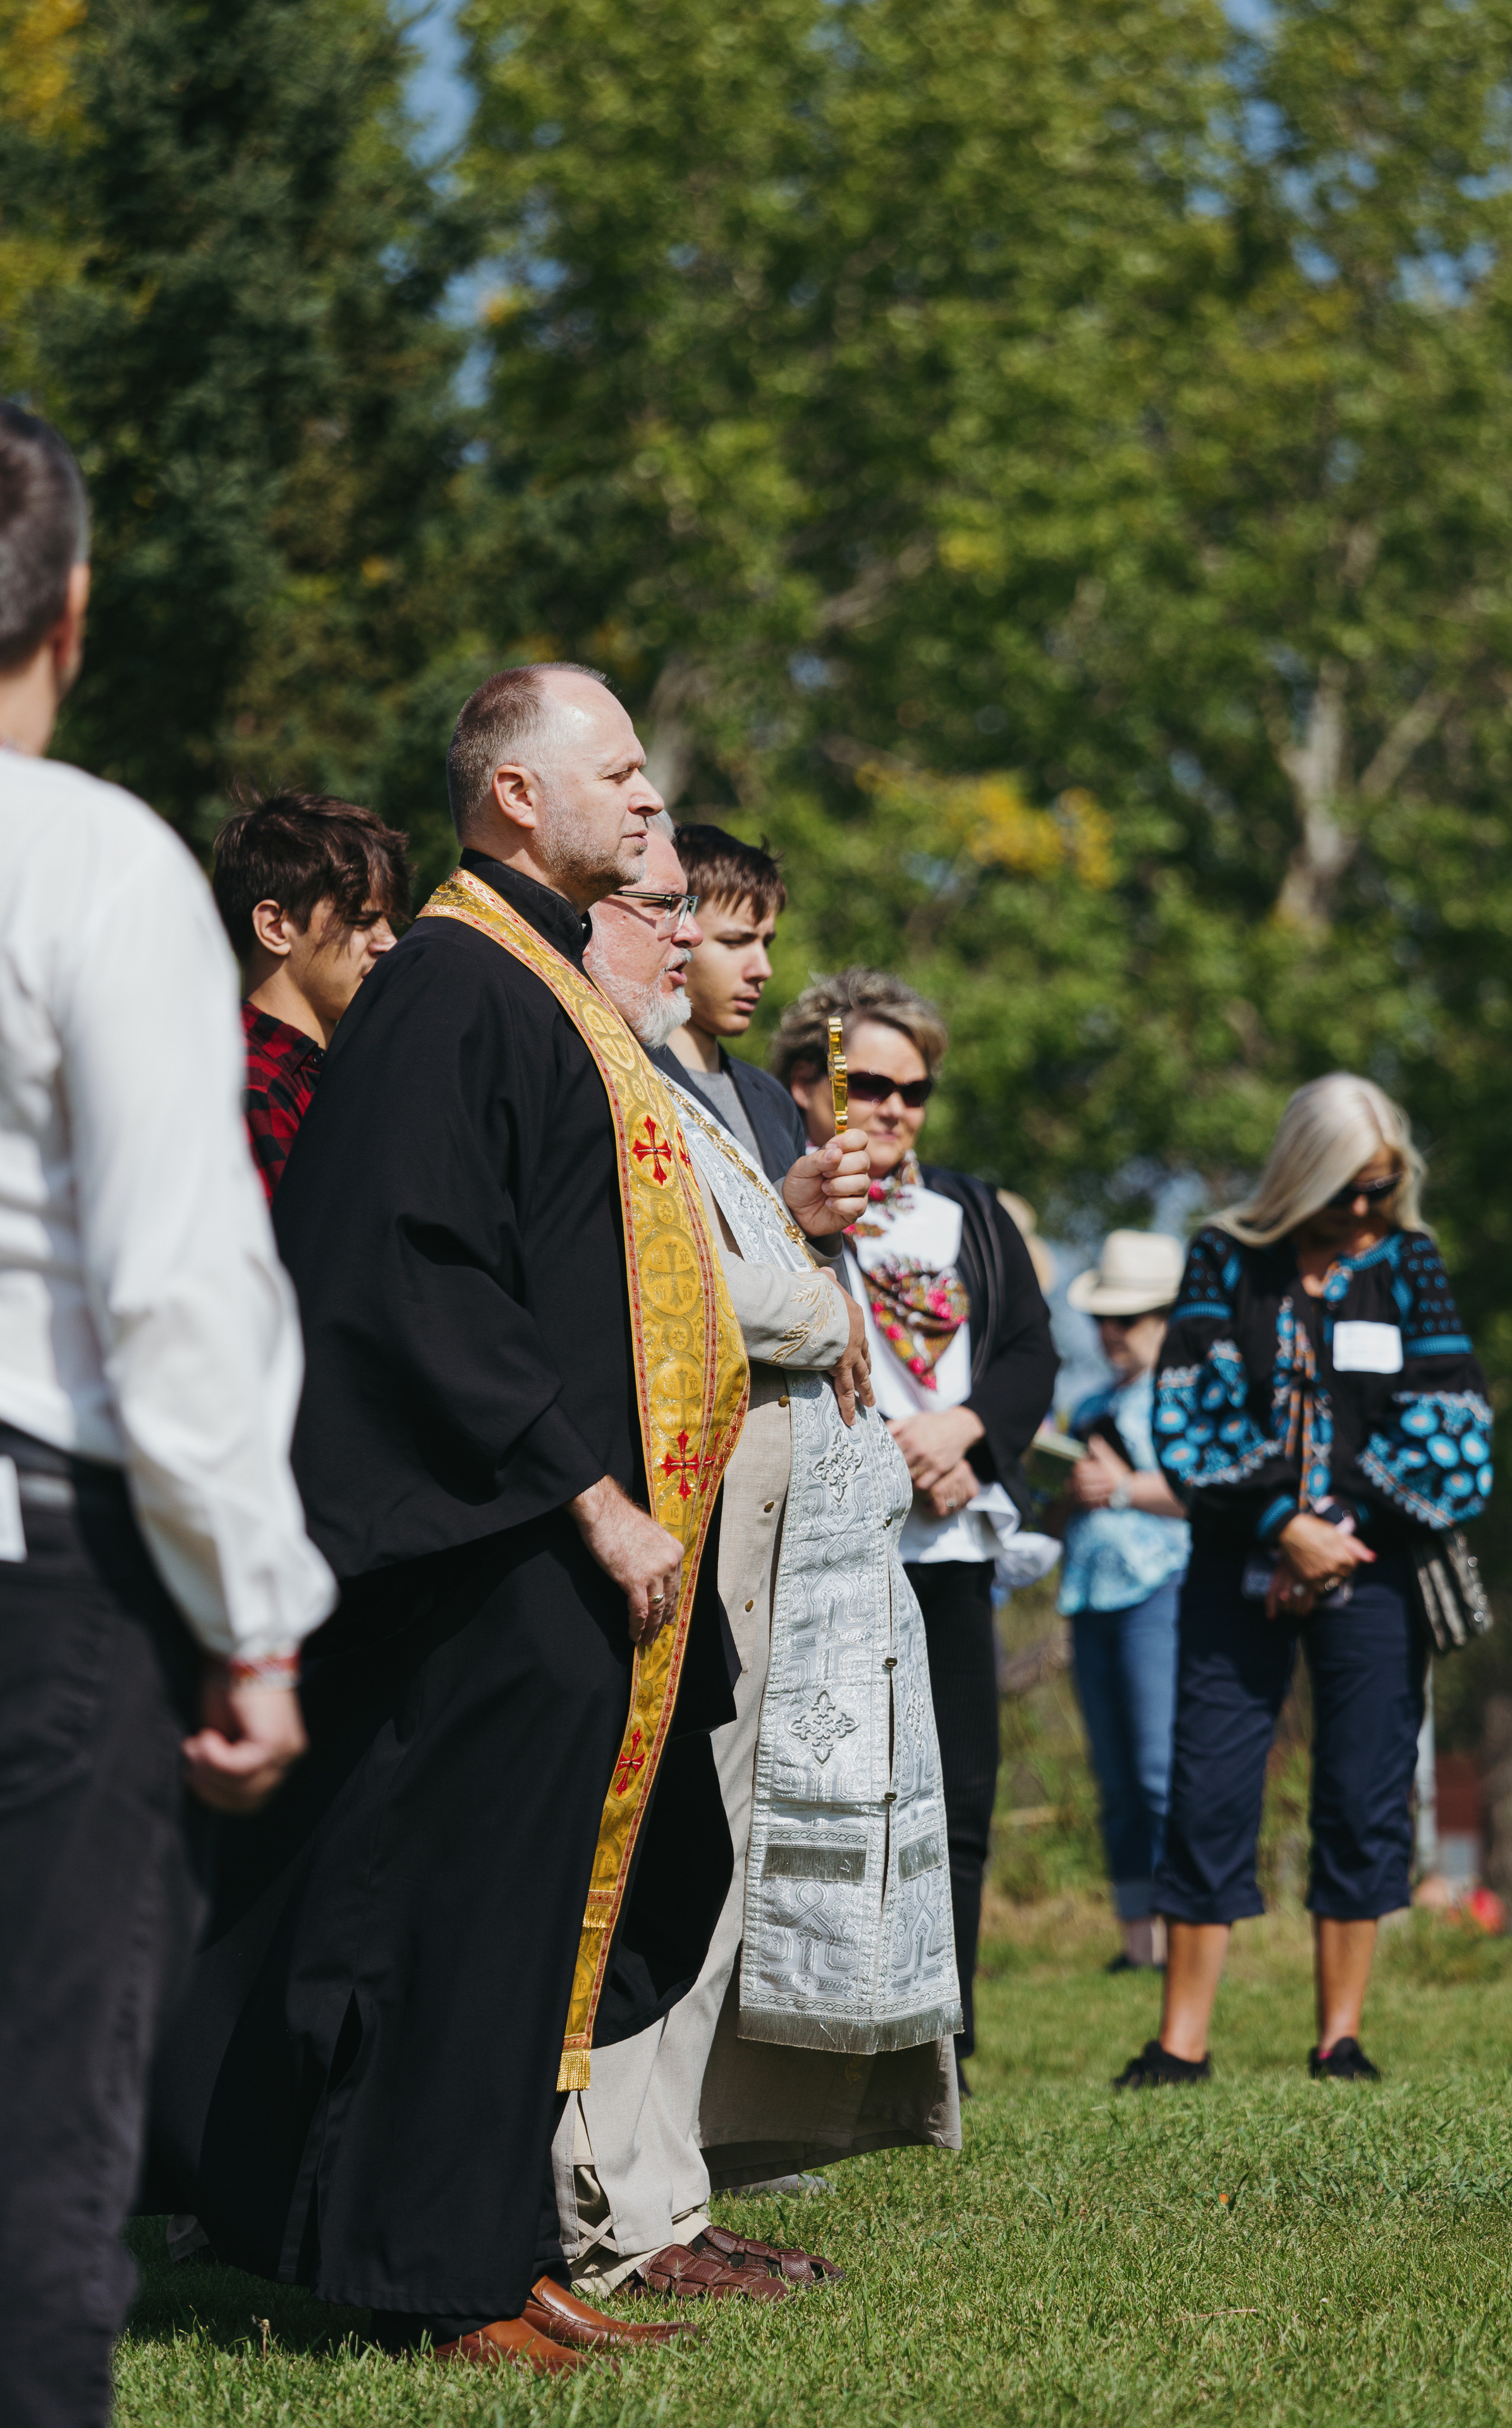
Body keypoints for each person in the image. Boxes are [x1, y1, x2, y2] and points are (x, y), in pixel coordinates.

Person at [144, 663, 754, 2379]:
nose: (650, 799)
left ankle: (492, 2242)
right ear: (515, 796)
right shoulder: (452, 984)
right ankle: (438, 2272)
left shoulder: (539, 981)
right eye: (617, 772)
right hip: (498, 1541)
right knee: (454, 1919)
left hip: (550, 1553)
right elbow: (413, 1268)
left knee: (511, 1919)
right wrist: (589, 1492)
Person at [0, 402, 334, 2428]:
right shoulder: (93, 862)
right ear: (72, 610)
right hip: (41, 1570)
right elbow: (172, 1283)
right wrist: (257, 1617)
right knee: (40, 2141)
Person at [567, 828, 961, 2302]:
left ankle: (668, 2189)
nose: (718, 954)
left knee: (711, 1868)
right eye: (689, 920)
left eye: (726, 929)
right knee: (664, 1865)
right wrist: (809, 1295)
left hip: (772, 1532)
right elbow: (676, 1277)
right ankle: (618, 2206)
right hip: (691, 1514)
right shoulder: (617, 1066)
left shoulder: (692, 1083)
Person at [1114, 1073, 1494, 2092]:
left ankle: (1341, 2040)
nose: (1365, 1208)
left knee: (1365, 1792)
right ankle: (1180, 2045)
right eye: (1347, 1189)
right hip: (1238, 1557)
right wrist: (1282, 1525)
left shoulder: (1410, 1265)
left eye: (1382, 1186)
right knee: (1208, 1787)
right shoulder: (1222, 1257)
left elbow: (1456, 1429)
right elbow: (1189, 1416)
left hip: (1373, 1566)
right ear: (1301, 1175)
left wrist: (1335, 1531)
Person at [777, 969, 1058, 2092]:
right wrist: (891, 1453)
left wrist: (966, 1434)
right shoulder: (777, 1202)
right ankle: (817, 2041)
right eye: (872, 1085)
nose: (894, 1108)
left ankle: (949, 2043)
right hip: (827, 1549)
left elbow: (1031, 1352)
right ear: (807, 1083)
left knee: (963, 1795)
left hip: (949, 1542)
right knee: (828, 1794)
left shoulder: (968, 1213)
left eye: (916, 1091)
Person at [1059, 1232, 1190, 1973]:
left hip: (1161, 1590)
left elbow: (1215, 1495)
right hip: (1090, 1595)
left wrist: (1121, 1486)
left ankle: (1184, 1935)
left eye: (1127, 1318)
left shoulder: (1191, 1401)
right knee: (1115, 1778)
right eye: (1101, 1318)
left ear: (1167, 1318)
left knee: (1157, 1768)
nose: (1110, 1332)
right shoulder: (1087, 1407)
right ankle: (1137, 1942)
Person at [210, 790, 411, 1197]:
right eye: (360, 919)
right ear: (275, 928)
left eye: (388, 920)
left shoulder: (334, 1074)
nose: (389, 942)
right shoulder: (247, 1086)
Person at [657, 824, 807, 1182]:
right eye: (736, 942)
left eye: (765, 943)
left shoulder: (774, 1101)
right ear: (680, 932)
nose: (763, 969)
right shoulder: (625, 1076)